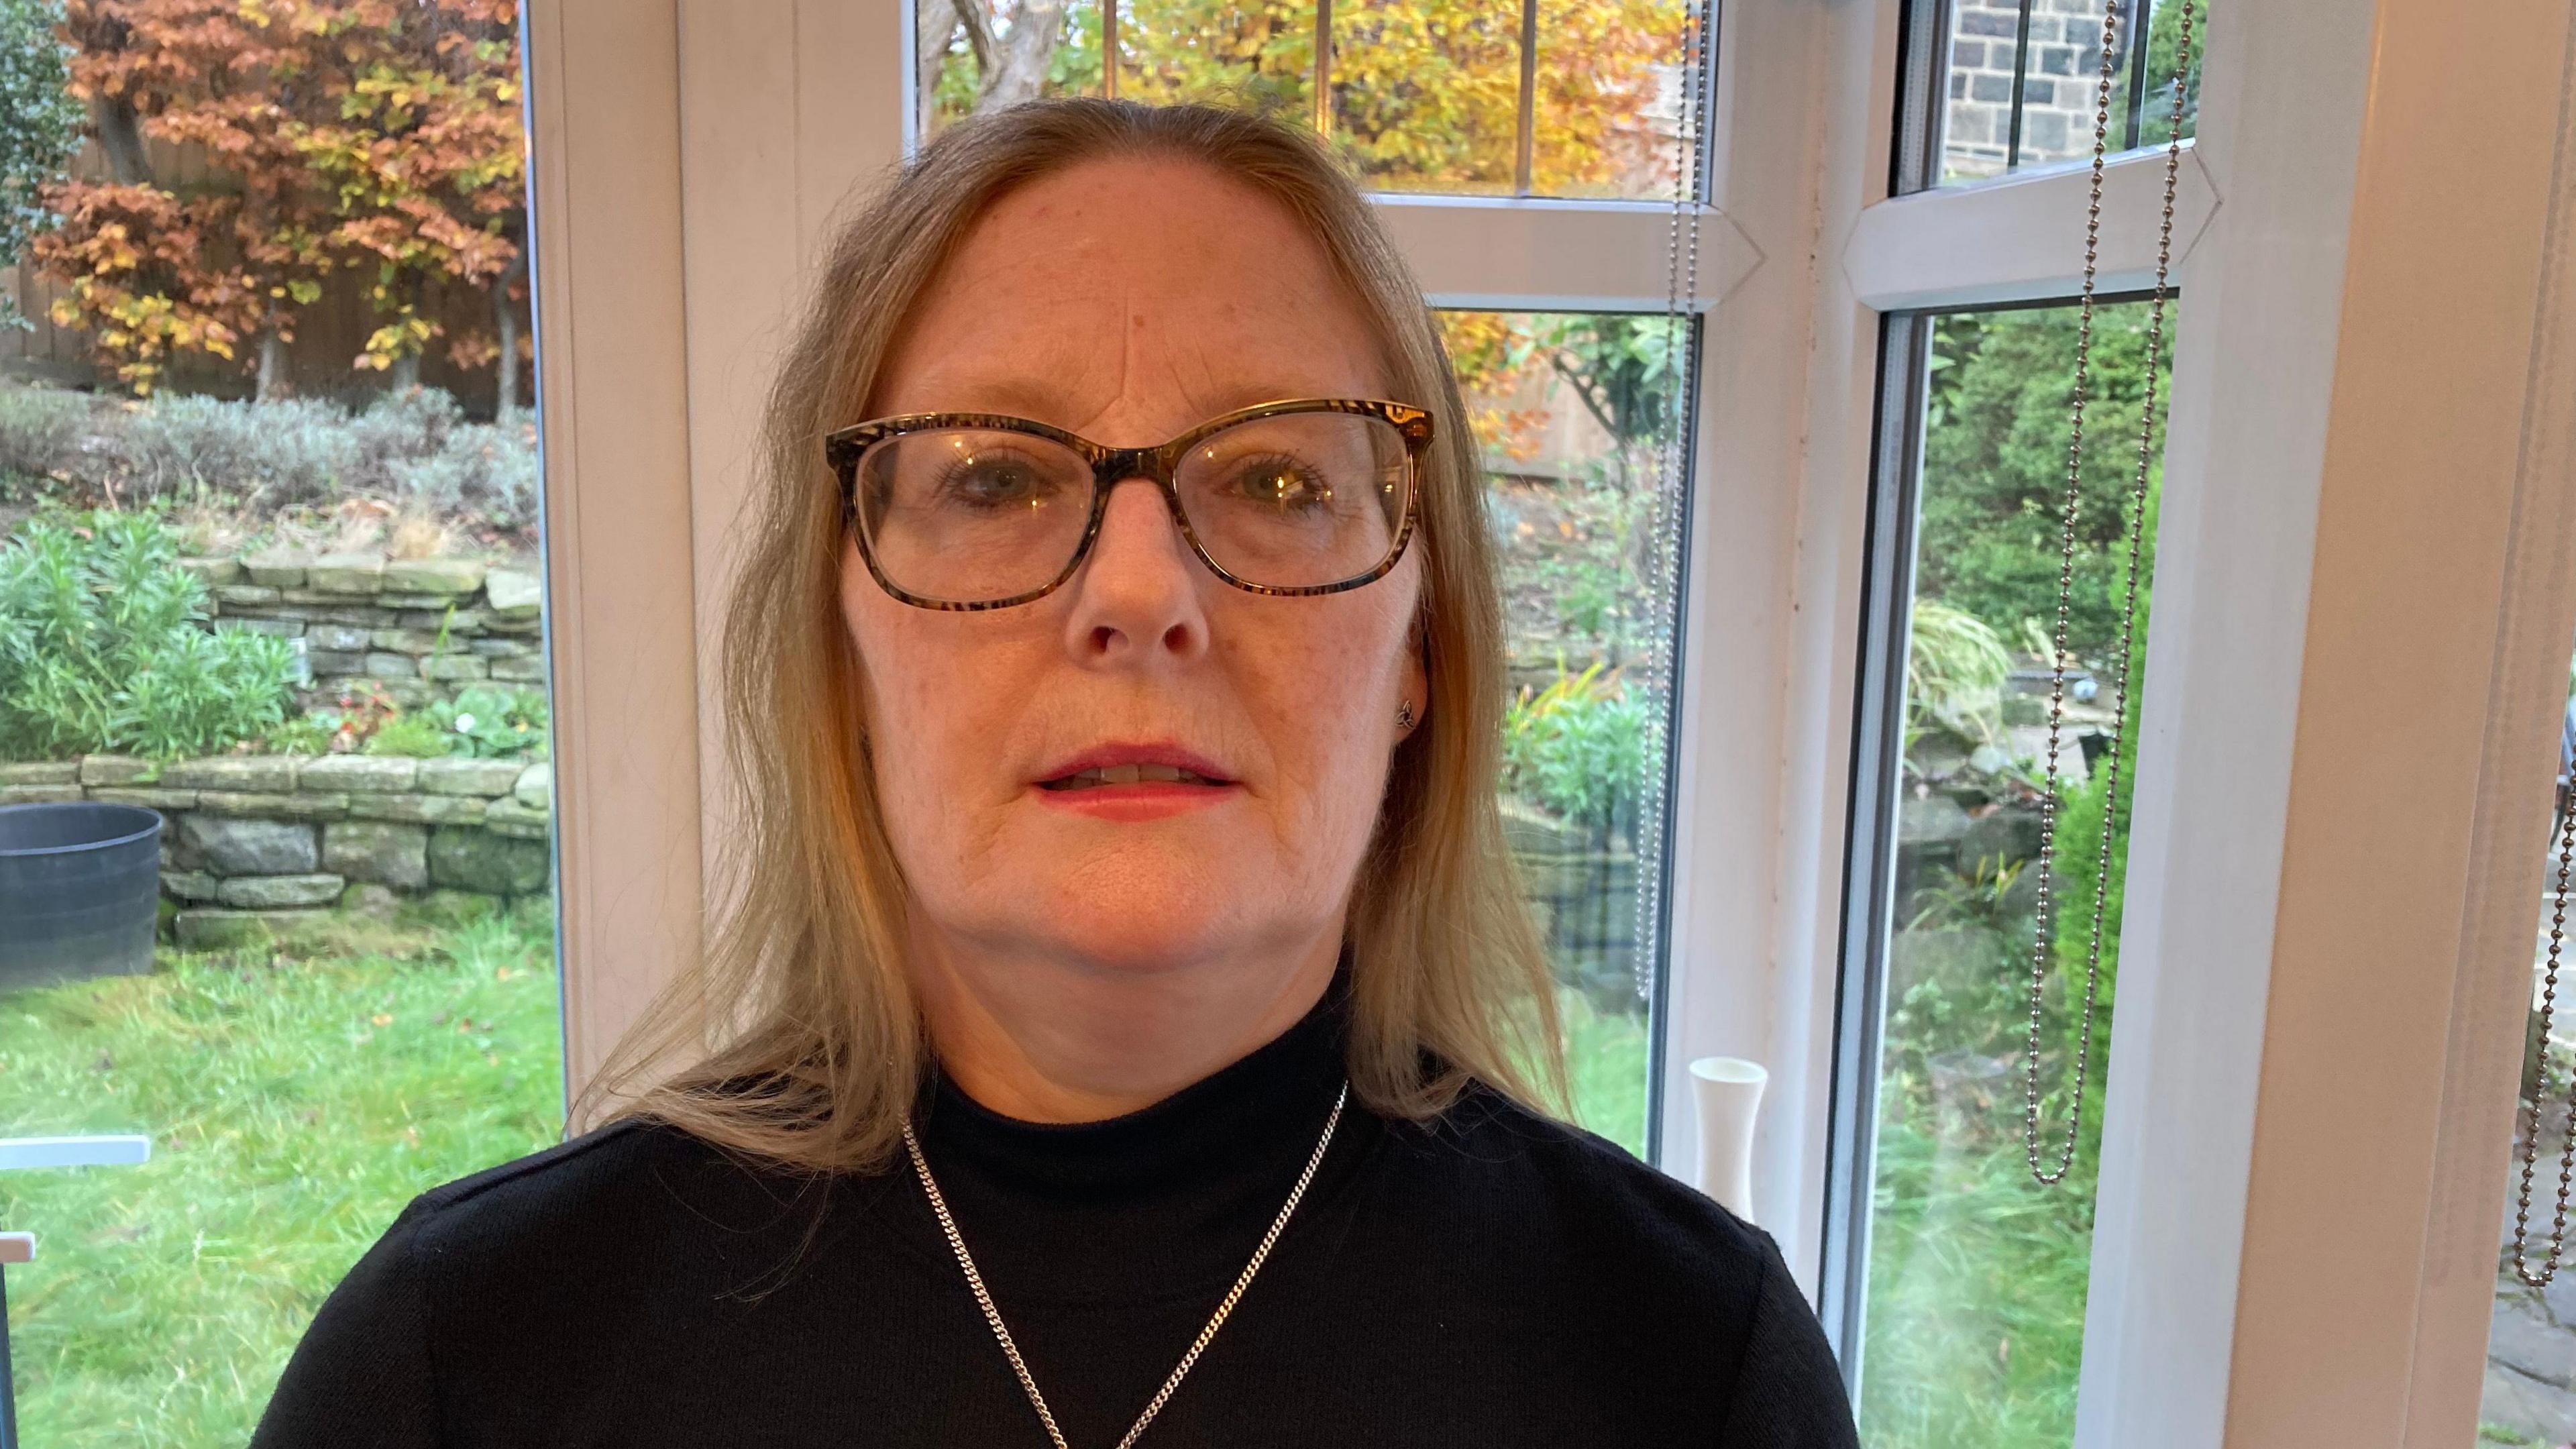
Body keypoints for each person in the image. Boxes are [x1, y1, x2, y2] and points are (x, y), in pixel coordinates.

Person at [248, 97, 1861, 1448]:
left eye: (1284, 473)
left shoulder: (1689, 1374)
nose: (1141, 593)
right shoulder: (465, 1364)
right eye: (996, 475)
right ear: (844, 642)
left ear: (1421, 649)